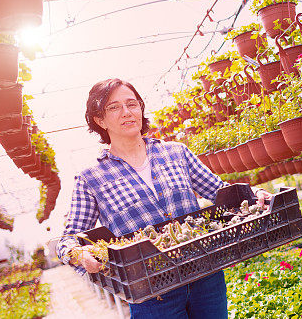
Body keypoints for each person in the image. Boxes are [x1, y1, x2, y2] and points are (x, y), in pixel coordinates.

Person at [56, 78, 272, 318]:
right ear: (99, 120)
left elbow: (220, 191)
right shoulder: (91, 178)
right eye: (114, 107)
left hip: (205, 275)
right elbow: (69, 238)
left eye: (132, 104)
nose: (127, 112)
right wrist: (79, 254)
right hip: (151, 292)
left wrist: (255, 195)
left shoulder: (176, 152)